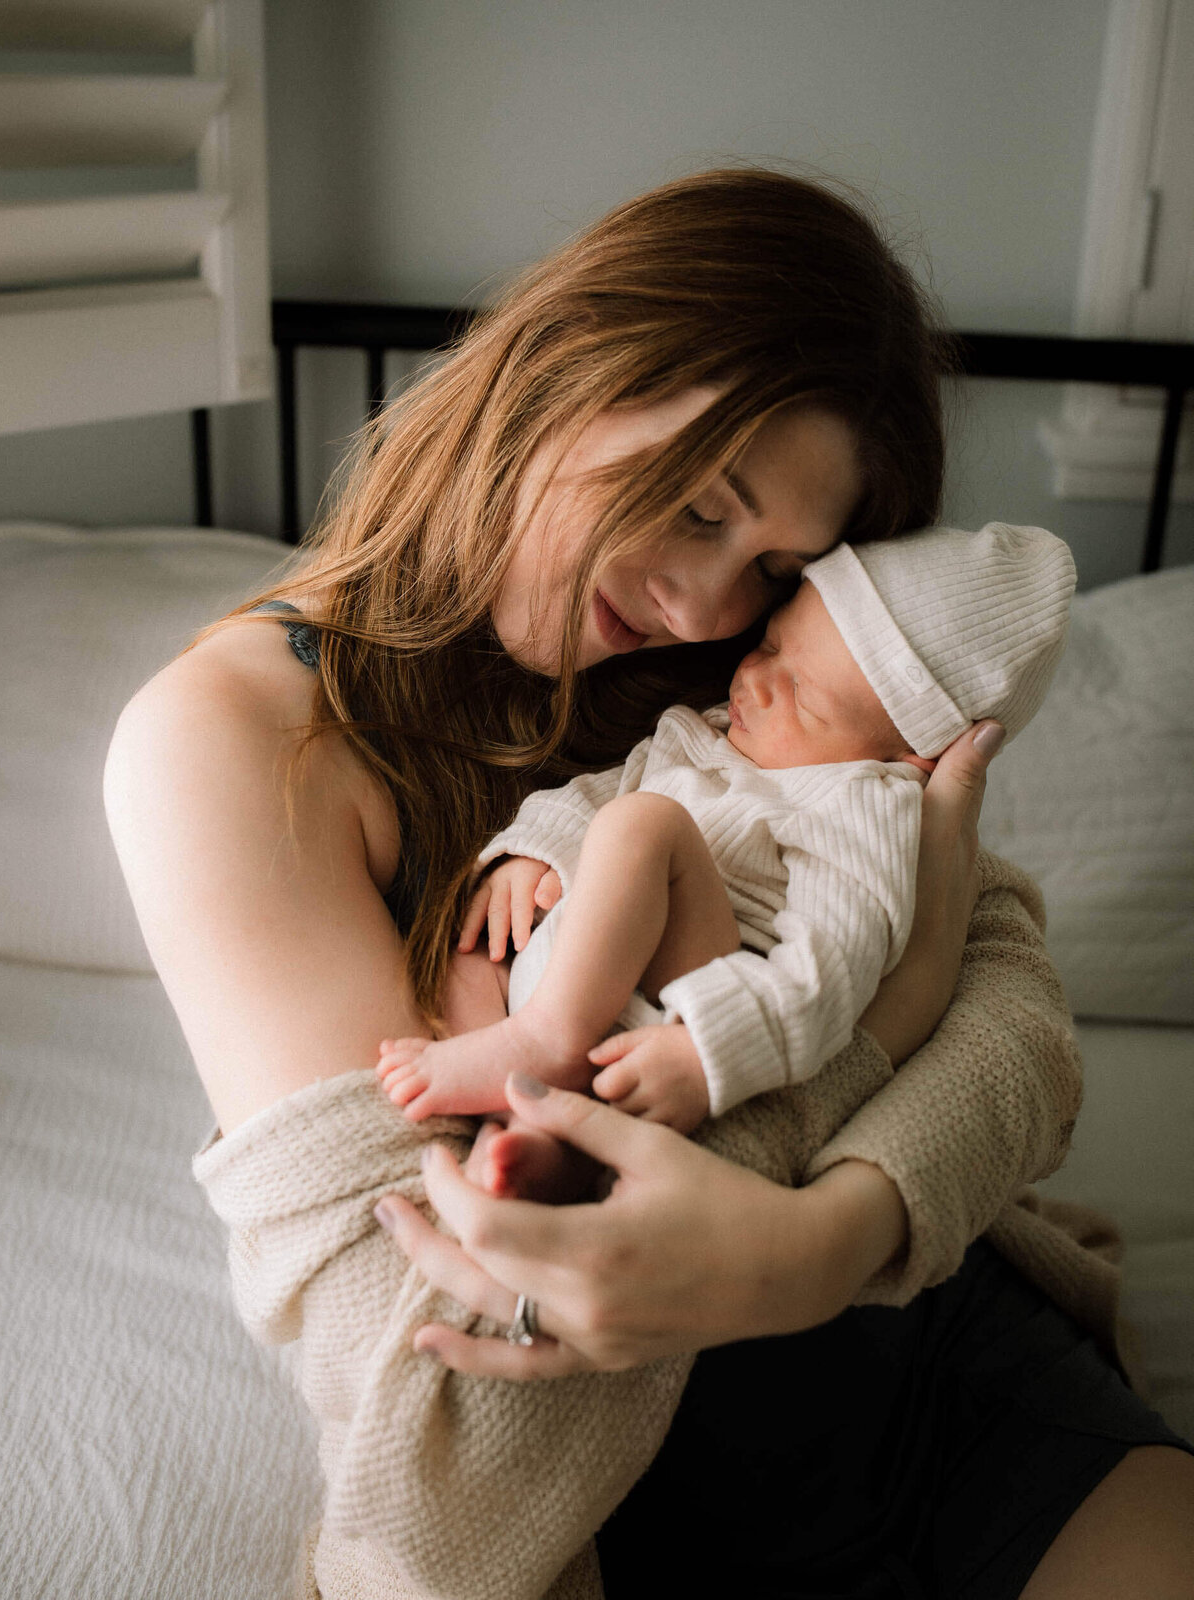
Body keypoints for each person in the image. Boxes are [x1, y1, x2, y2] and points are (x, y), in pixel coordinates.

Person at [103, 168, 1194, 1600]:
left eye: (773, 569)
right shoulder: (243, 741)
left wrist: (824, 1245)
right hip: (593, 1497)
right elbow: (432, 1313)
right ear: (567, 365)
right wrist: (856, 1084)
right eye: (695, 506)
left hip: (948, 1384)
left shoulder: (738, 685)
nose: (703, 606)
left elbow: (1021, 1040)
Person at [376, 523, 1077, 1209]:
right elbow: (597, 793)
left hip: (683, 996)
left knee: (647, 825)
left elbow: (832, 967)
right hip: (578, 967)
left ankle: (541, 1044)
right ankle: (525, 1137)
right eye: (772, 644)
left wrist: (710, 1055)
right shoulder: (709, 730)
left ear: (905, 759)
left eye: (803, 694)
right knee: (464, 944)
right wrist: (534, 853)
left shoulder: (861, 804)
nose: (758, 679)